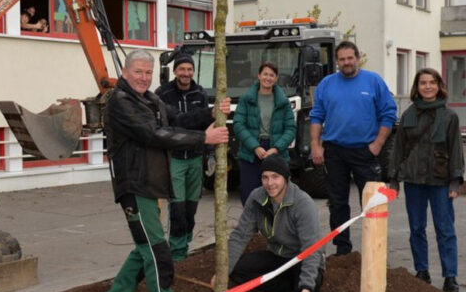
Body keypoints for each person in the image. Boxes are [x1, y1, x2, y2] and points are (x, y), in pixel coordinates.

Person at [95, 49, 229, 292]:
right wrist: (203, 138)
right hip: (134, 186)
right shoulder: (121, 102)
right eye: (138, 72)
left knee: (143, 248)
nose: (144, 78)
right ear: (125, 73)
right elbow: (153, 134)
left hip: (150, 185)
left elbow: (176, 121)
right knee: (157, 251)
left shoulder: (148, 99)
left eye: (148, 73)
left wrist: (209, 113)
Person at [215, 154, 325, 292]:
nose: (270, 183)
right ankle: (283, 291)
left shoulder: (302, 204)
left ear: (286, 178)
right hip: (278, 259)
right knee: (239, 268)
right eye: (265, 177)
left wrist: (305, 286)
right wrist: (223, 272)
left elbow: (312, 250)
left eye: (275, 177)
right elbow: (240, 236)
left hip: (304, 260)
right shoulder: (257, 199)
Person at [310, 41, 397, 256]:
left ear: (358, 58)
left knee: (371, 203)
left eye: (350, 58)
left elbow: (388, 114)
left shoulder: (374, 81)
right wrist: (315, 144)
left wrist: (377, 145)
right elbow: (317, 115)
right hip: (335, 152)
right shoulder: (327, 84)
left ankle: (374, 250)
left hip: (365, 152)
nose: (346, 62)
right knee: (337, 202)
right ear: (337, 61)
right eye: (342, 59)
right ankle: (342, 249)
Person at [388, 68, 464, 292]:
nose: (428, 86)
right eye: (423, 83)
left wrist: (455, 182)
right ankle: (422, 272)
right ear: (417, 87)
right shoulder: (408, 115)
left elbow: (456, 151)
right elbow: (398, 149)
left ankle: (450, 277)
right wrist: (393, 179)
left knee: (445, 229)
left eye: (432, 82)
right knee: (416, 228)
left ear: (439, 86)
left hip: (440, 181)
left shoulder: (450, 116)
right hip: (413, 181)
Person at [156, 52, 230, 261]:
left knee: (191, 206)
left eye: (189, 69)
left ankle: (185, 244)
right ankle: (177, 251)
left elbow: (206, 128)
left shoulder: (200, 94)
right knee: (177, 206)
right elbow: (176, 122)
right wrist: (207, 114)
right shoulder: (163, 94)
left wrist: (209, 155)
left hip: (195, 158)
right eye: (182, 69)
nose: (186, 73)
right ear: (175, 71)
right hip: (175, 158)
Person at [233, 61, 296, 205]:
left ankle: (276, 226)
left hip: (276, 151)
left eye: (271, 75)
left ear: (276, 78)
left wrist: (276, 148)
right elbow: (238, 125)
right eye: (265, 74)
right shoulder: (246, 99)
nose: (268, 78)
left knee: (277, 195)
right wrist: (255, 147)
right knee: (249, 196)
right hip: (251, 152)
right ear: (259, 76)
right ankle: (253, 227)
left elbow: (291, 128)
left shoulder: (283, 102)